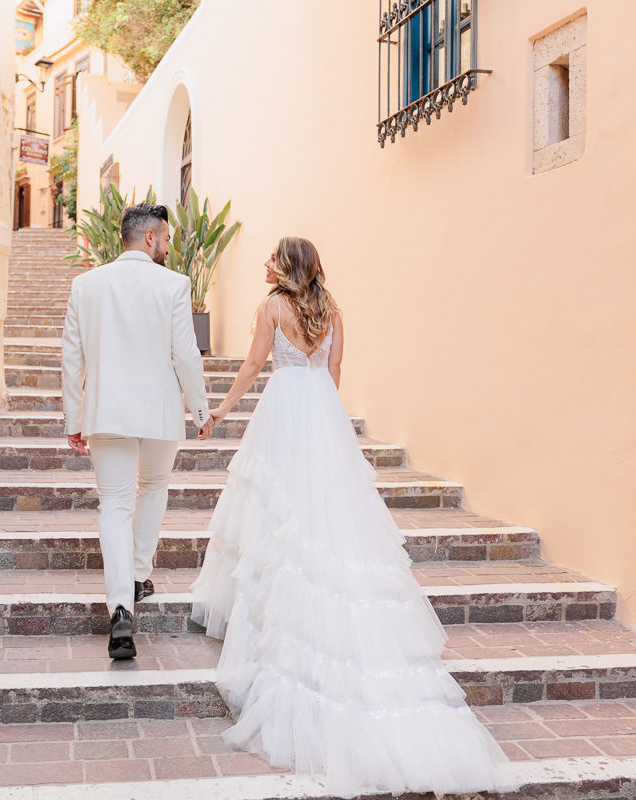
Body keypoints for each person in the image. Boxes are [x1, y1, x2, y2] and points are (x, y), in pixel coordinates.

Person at [191, 237, 518, 796]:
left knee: (280, 515)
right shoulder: (333, 310)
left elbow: (252, 364)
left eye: (273, 256)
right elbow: (335, 371)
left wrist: (221, 408)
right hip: (321, 411)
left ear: (287, 267)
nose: (266, 263)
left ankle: (275, 618)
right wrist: (324, 422)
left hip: (285, 410)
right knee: (328, 521)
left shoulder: (272, 306)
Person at [61, 203, 211, 660]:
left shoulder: (86, 285)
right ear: (149, 238)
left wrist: (75, 418)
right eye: (165, 238)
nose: (167, 247)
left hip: (106, 413)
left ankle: (121, 609)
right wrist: (201, 410)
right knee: (154, 486)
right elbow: (186, 354)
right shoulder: (173, 285)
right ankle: (138, 573)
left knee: (115, 504)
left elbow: (72, 357)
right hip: (160, 412)